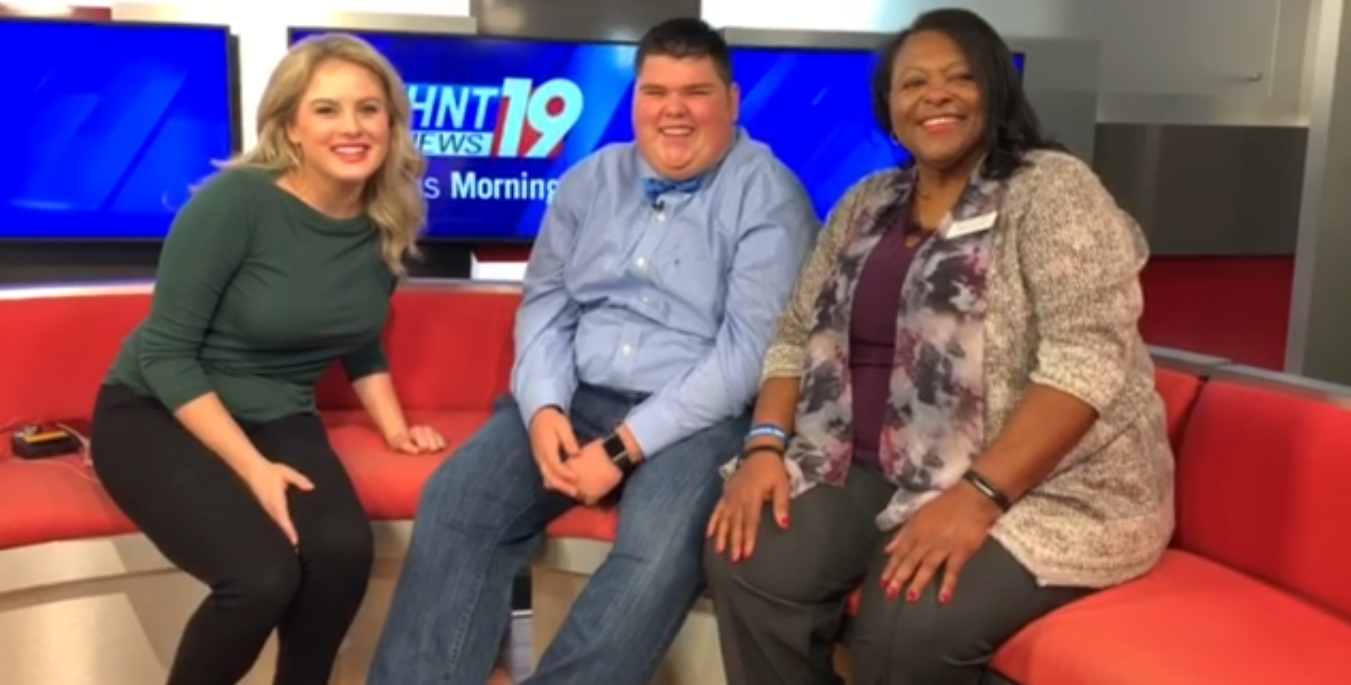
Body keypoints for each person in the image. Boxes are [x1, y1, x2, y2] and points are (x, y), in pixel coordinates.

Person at [703, 8, 1175, 685]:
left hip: (1041, 485)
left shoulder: (1051, 191)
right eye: (912, 82)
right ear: (889, 107)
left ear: (994, 90)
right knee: (747, 552)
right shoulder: (866, 203)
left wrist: (977, 495)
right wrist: (762, 446)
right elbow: (793, 336)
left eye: (958, 77)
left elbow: (1084, 362)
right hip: (871, 464)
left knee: (911, 611)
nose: (935, 94)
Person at [366, 17, 820, 685]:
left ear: (731, 100)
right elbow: (547, 305)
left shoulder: (769, 195)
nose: (673, 111)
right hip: (577, 393)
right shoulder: (588, 182)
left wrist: (621, 447)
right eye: (654, 91)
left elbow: (745, 354)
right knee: (458, 502)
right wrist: (544, 406)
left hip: (696, 417)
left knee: (659, 550)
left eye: (695, 92)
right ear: (634, 98)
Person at [88, 33, 446, 685]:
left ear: (392, 124)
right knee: (261, 576)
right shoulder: (235, 203)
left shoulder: (384, 217)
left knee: (340, 553)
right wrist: (254, 469)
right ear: (290, 127)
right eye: (327, 109)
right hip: (156, 410)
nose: (352, 127)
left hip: (278, 411)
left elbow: (359, 337)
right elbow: (167, 352)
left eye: (369, 109)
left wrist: (395, 428)